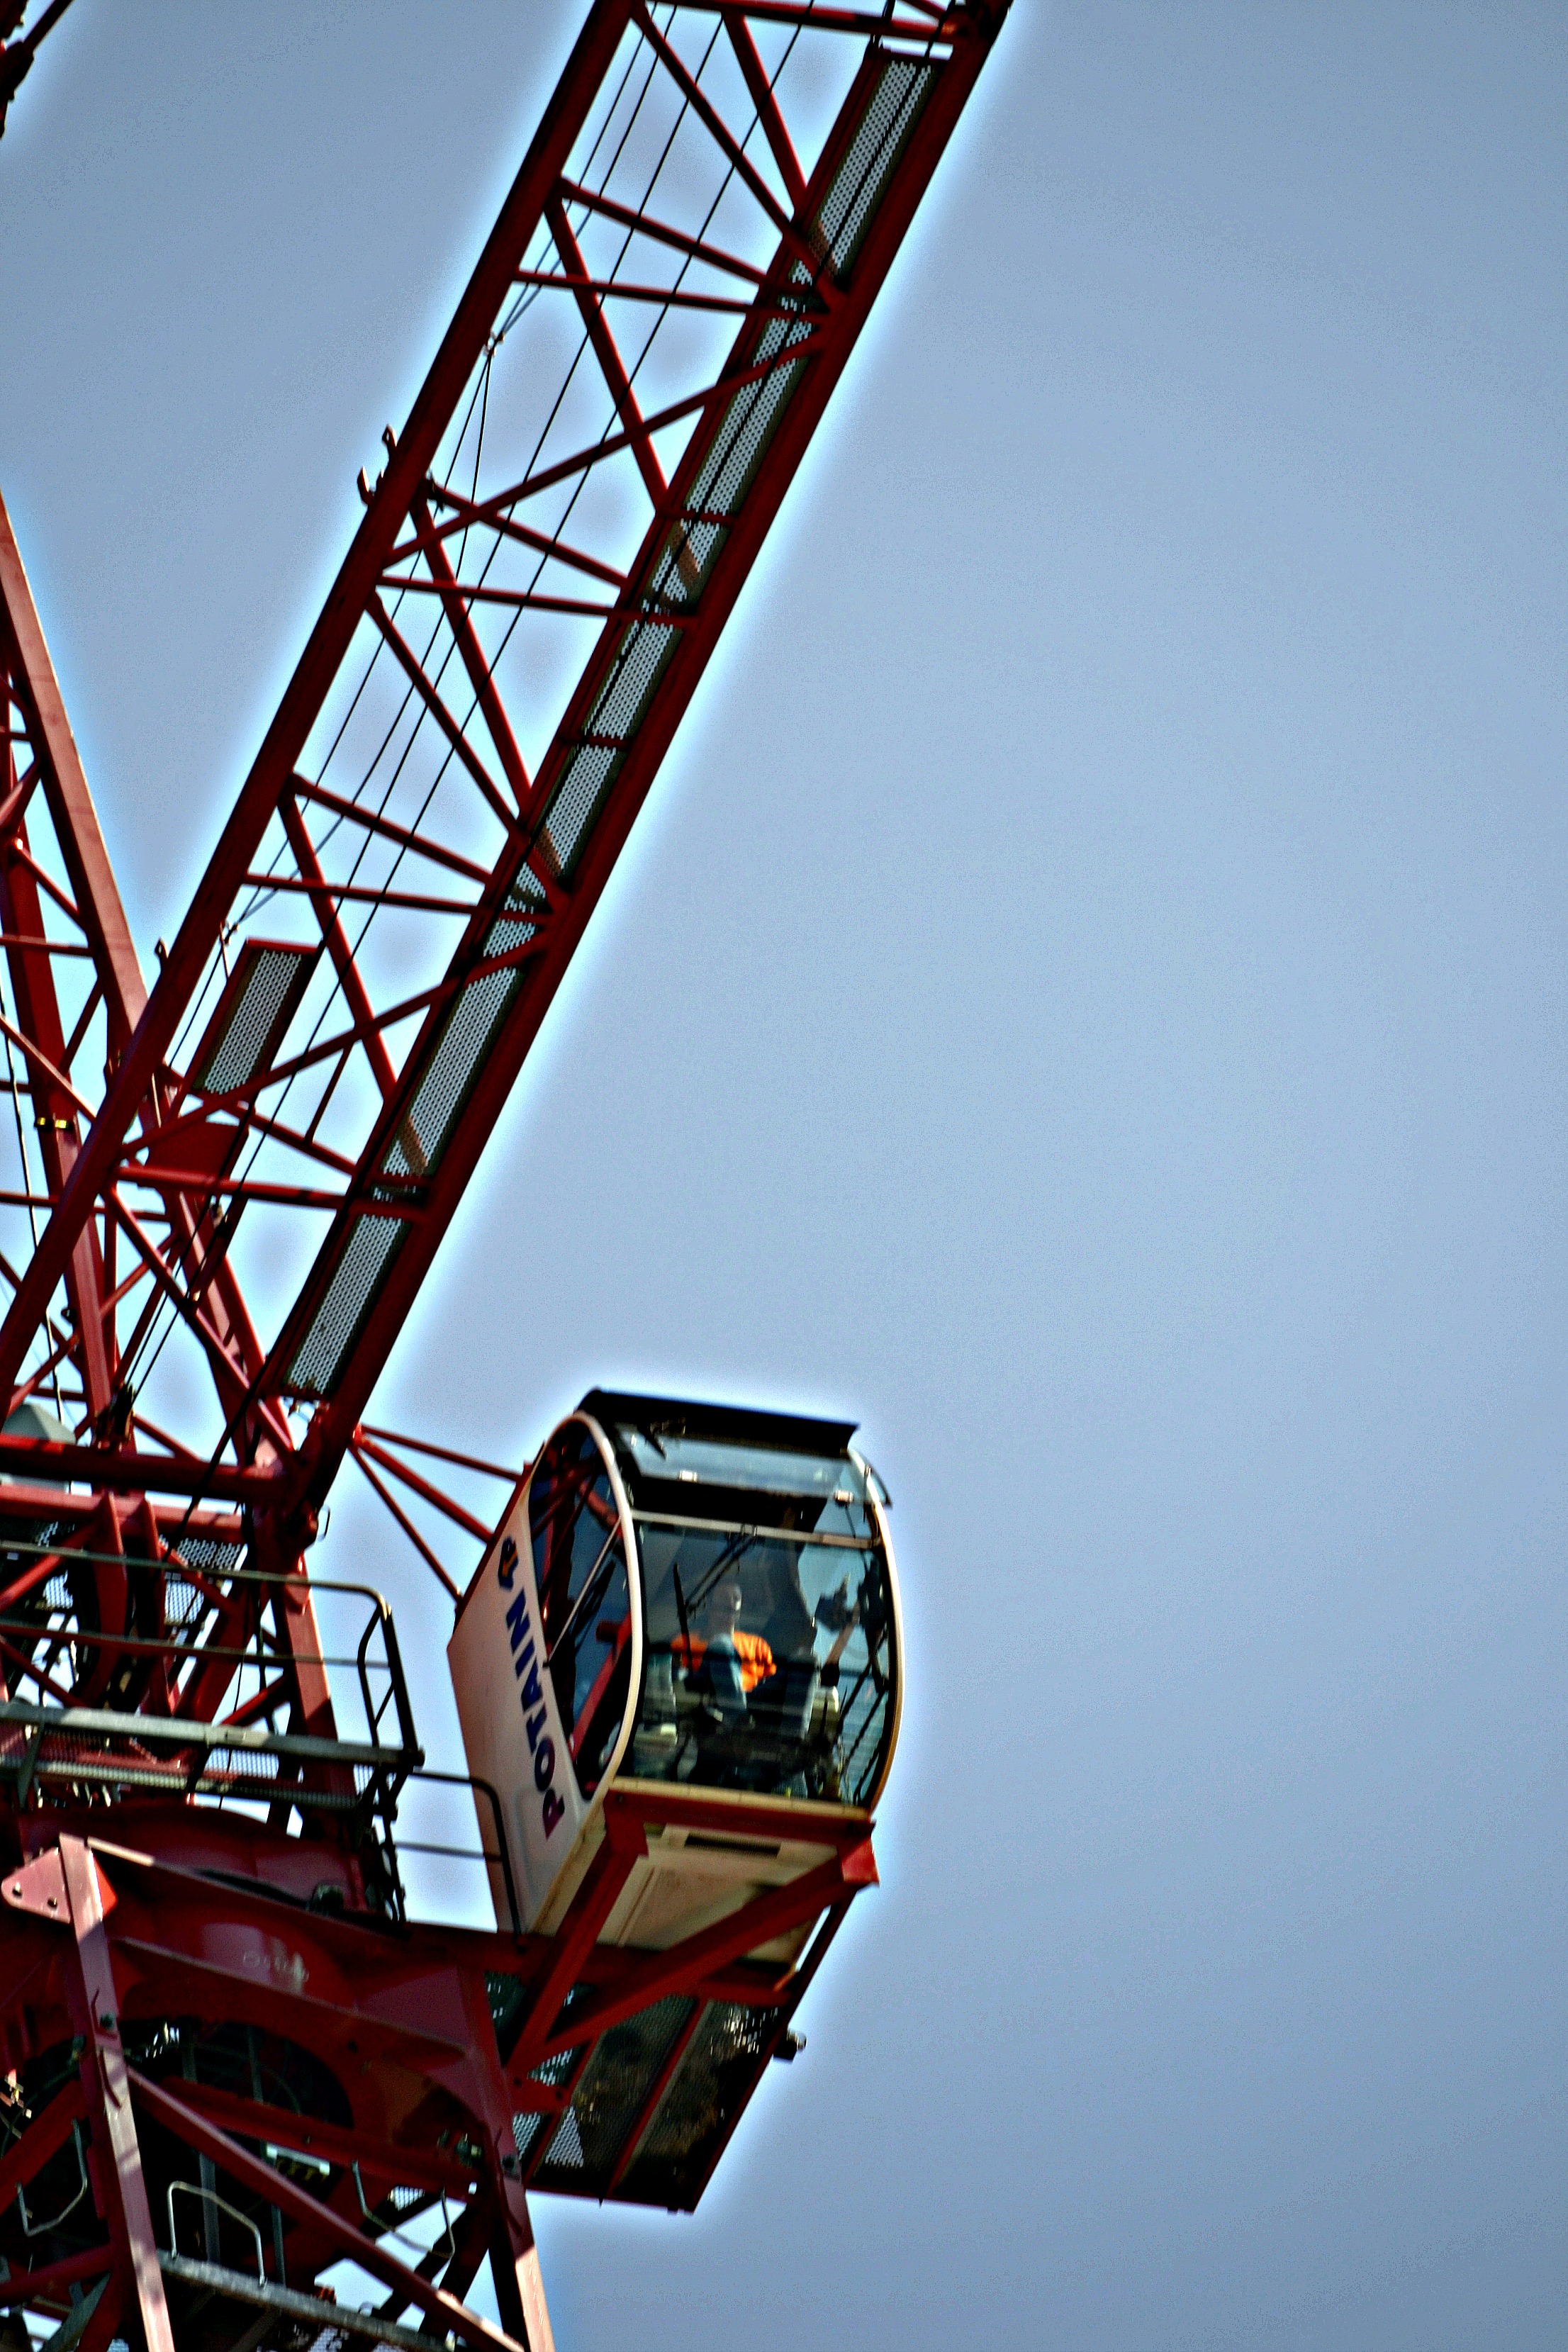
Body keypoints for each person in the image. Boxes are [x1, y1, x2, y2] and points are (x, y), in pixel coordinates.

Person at [673, 1576, 773, 1723]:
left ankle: (794, 1735)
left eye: (736, 1598)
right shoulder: (685, 1642)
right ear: (709, 1605)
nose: (731, 1603)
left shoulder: (758, 1645)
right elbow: (676, 1682)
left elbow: (771, 1686)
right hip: (706, 1704)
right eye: (724, 1598)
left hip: (752, 1706)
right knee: (721, 1644)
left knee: (804, 1663)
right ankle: (737, 1721)